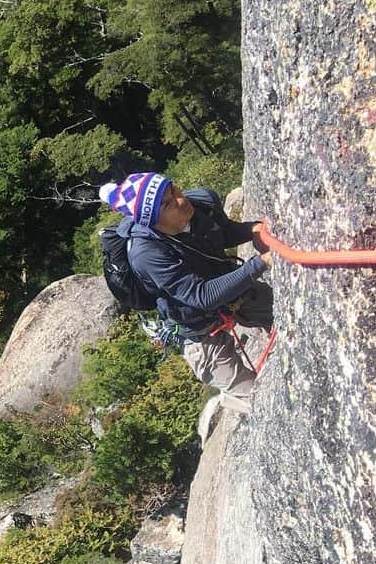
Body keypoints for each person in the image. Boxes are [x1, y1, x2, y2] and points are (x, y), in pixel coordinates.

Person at [99, 171, 274, 411]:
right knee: (260, 402)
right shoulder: (147, 254)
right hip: (197, 331)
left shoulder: (197, 206)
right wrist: (261, 262)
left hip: (232, 296)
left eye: (176, 190)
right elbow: (201, 295)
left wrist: (253, 229)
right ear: (152, 221)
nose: (182, 200)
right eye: (169, 204)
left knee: (290, 317)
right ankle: (231, 399)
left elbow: (221, 233)